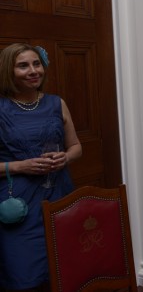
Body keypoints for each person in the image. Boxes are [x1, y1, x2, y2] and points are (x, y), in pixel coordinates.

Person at [0, 43, 82, 290]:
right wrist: (20, 166)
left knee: (64, 267)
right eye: (23, 65)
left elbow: (76, 146)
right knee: (25, 274)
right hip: (19, 205)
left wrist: (65, 158)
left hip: (59, 196)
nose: (33, 70)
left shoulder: (57, 103)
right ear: (8, 70)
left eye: (36, 64)